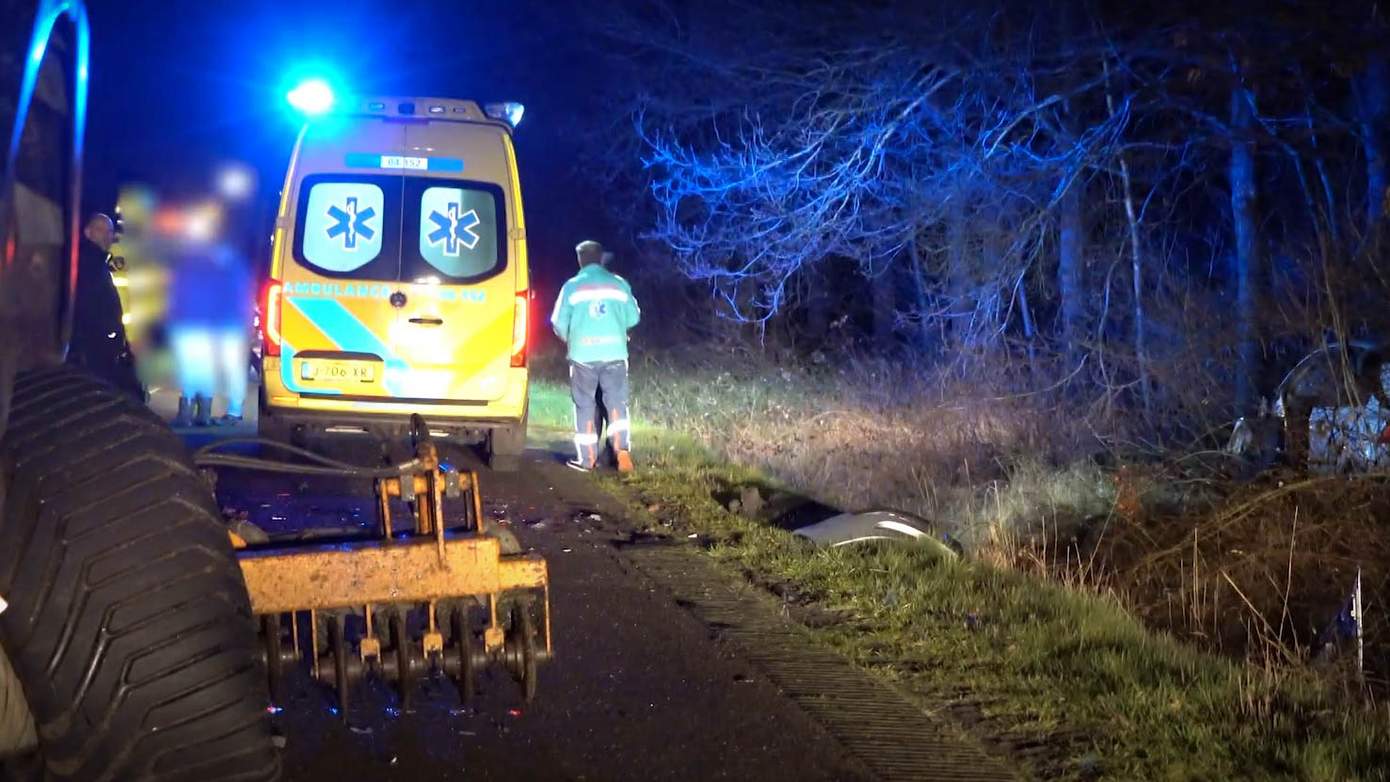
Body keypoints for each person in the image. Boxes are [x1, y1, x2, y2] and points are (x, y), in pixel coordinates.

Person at [551, 240, 641, 472]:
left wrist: (572, 339)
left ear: (580, 260)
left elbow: (558, 324)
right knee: (617, 403)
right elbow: (633, 318)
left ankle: (587, 459)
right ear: (601, 258)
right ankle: (622, 451)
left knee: (585, 405)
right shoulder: (619, 284)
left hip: (583, 356)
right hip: (614, 354)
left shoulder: (571, 287)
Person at [168, 241, 253, 426]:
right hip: (214, 324)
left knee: (194, 369)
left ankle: (189, 415)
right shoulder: (230, 265)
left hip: (197, 324)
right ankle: (205, 415)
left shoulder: (195, 265)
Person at [68, 213, 142, 401]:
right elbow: (90, 305)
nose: (107, 236)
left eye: (109, 231)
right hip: (95, 346)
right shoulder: (88, 262)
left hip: (104, 345)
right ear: (87, 232)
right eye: (101, 230)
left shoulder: (98, 261)